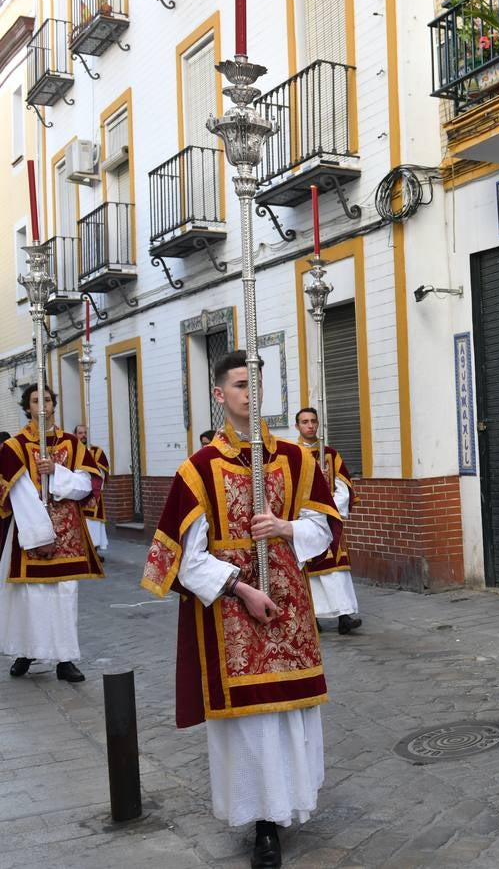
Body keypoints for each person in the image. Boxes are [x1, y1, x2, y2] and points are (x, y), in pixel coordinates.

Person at [141, 351, 341, 869]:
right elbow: (186, 560)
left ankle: (293, 802)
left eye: (255, 382)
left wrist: (285, 528)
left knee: (290, 714)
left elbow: (323, 531)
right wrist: (241, 589)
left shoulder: (298, 460)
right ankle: (262, 823)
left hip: (290, 609)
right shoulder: (198, 470)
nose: (248, 393)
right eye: (237, 384)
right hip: (233, 612)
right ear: (219, 395)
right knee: (250, 724)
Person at [0, 384, 103, 683]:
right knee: (28, 597)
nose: (41, 405)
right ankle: (26, 650)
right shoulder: (15, 447)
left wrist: (56, 472)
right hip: (29, 533)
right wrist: (38, 532)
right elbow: (12, 493)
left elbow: (87, 485)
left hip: (67, 534)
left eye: (46, 399)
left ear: (54, 404)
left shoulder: (71, 444)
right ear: (27, 406)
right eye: (35, 400)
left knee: (64, 596)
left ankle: (65, 659)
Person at [294, 407, 362, 634]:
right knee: (309, 570)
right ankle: (314, 617)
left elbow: (342, 486)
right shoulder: (291, 455)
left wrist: (330, 509)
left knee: (337, 568)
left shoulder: (330, 454)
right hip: (303, 519)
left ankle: (344, 616)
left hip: (329, 518)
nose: (310, 425)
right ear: (297, 426)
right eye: (305, 422)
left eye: (313, 421)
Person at [73, 424, 110, 558]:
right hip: (77, 494)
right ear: (75, 435)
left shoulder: (96, 451)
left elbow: (102, 470)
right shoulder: (72, 451)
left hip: (93, 494)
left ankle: (94, 551)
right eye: (80, 433)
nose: (83, 435)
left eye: (84, 433)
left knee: (93, 524)